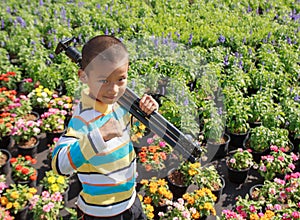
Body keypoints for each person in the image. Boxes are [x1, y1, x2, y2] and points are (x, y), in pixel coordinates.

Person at [51, 35, 158, 219]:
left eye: (120, 79)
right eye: (103, 81)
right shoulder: (83, 120)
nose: (113, 89)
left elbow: (134, 125)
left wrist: (148, 109)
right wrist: (98, 135)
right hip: (102, 213)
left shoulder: (118, 104)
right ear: (83, 77)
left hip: (131, 201)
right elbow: (59, 164)